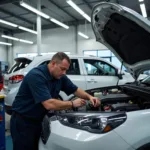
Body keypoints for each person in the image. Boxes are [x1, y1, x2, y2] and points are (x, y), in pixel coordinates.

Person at [10, 52, 100, 150]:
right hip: (23, 121)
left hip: (38, 120)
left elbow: (75, 89)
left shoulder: (59, 76)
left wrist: (90, 97)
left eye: (66, 69)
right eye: (62, 69)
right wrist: (72, 104)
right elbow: (49, 104)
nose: (64, 72)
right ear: (53, 63)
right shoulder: (36, 76)